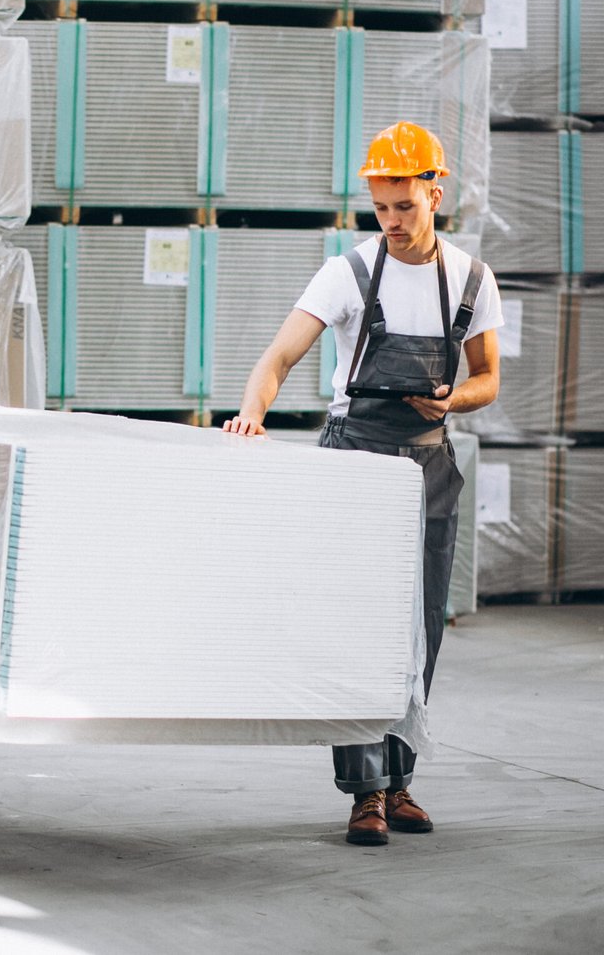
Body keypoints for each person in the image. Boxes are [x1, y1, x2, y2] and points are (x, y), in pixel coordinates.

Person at [223, 121, 503, 846]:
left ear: (435, 194)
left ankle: (402, 781)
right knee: (359, 626)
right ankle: (363, 794)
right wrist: (252, 413)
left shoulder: (471, 279)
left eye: (405, 206)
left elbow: (489, 379)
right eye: (380, 208)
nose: (392, 222)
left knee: (421, 626)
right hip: (355, 462)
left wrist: (451, 400)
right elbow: (278, 357)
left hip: (430, 464)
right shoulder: (347, 272)